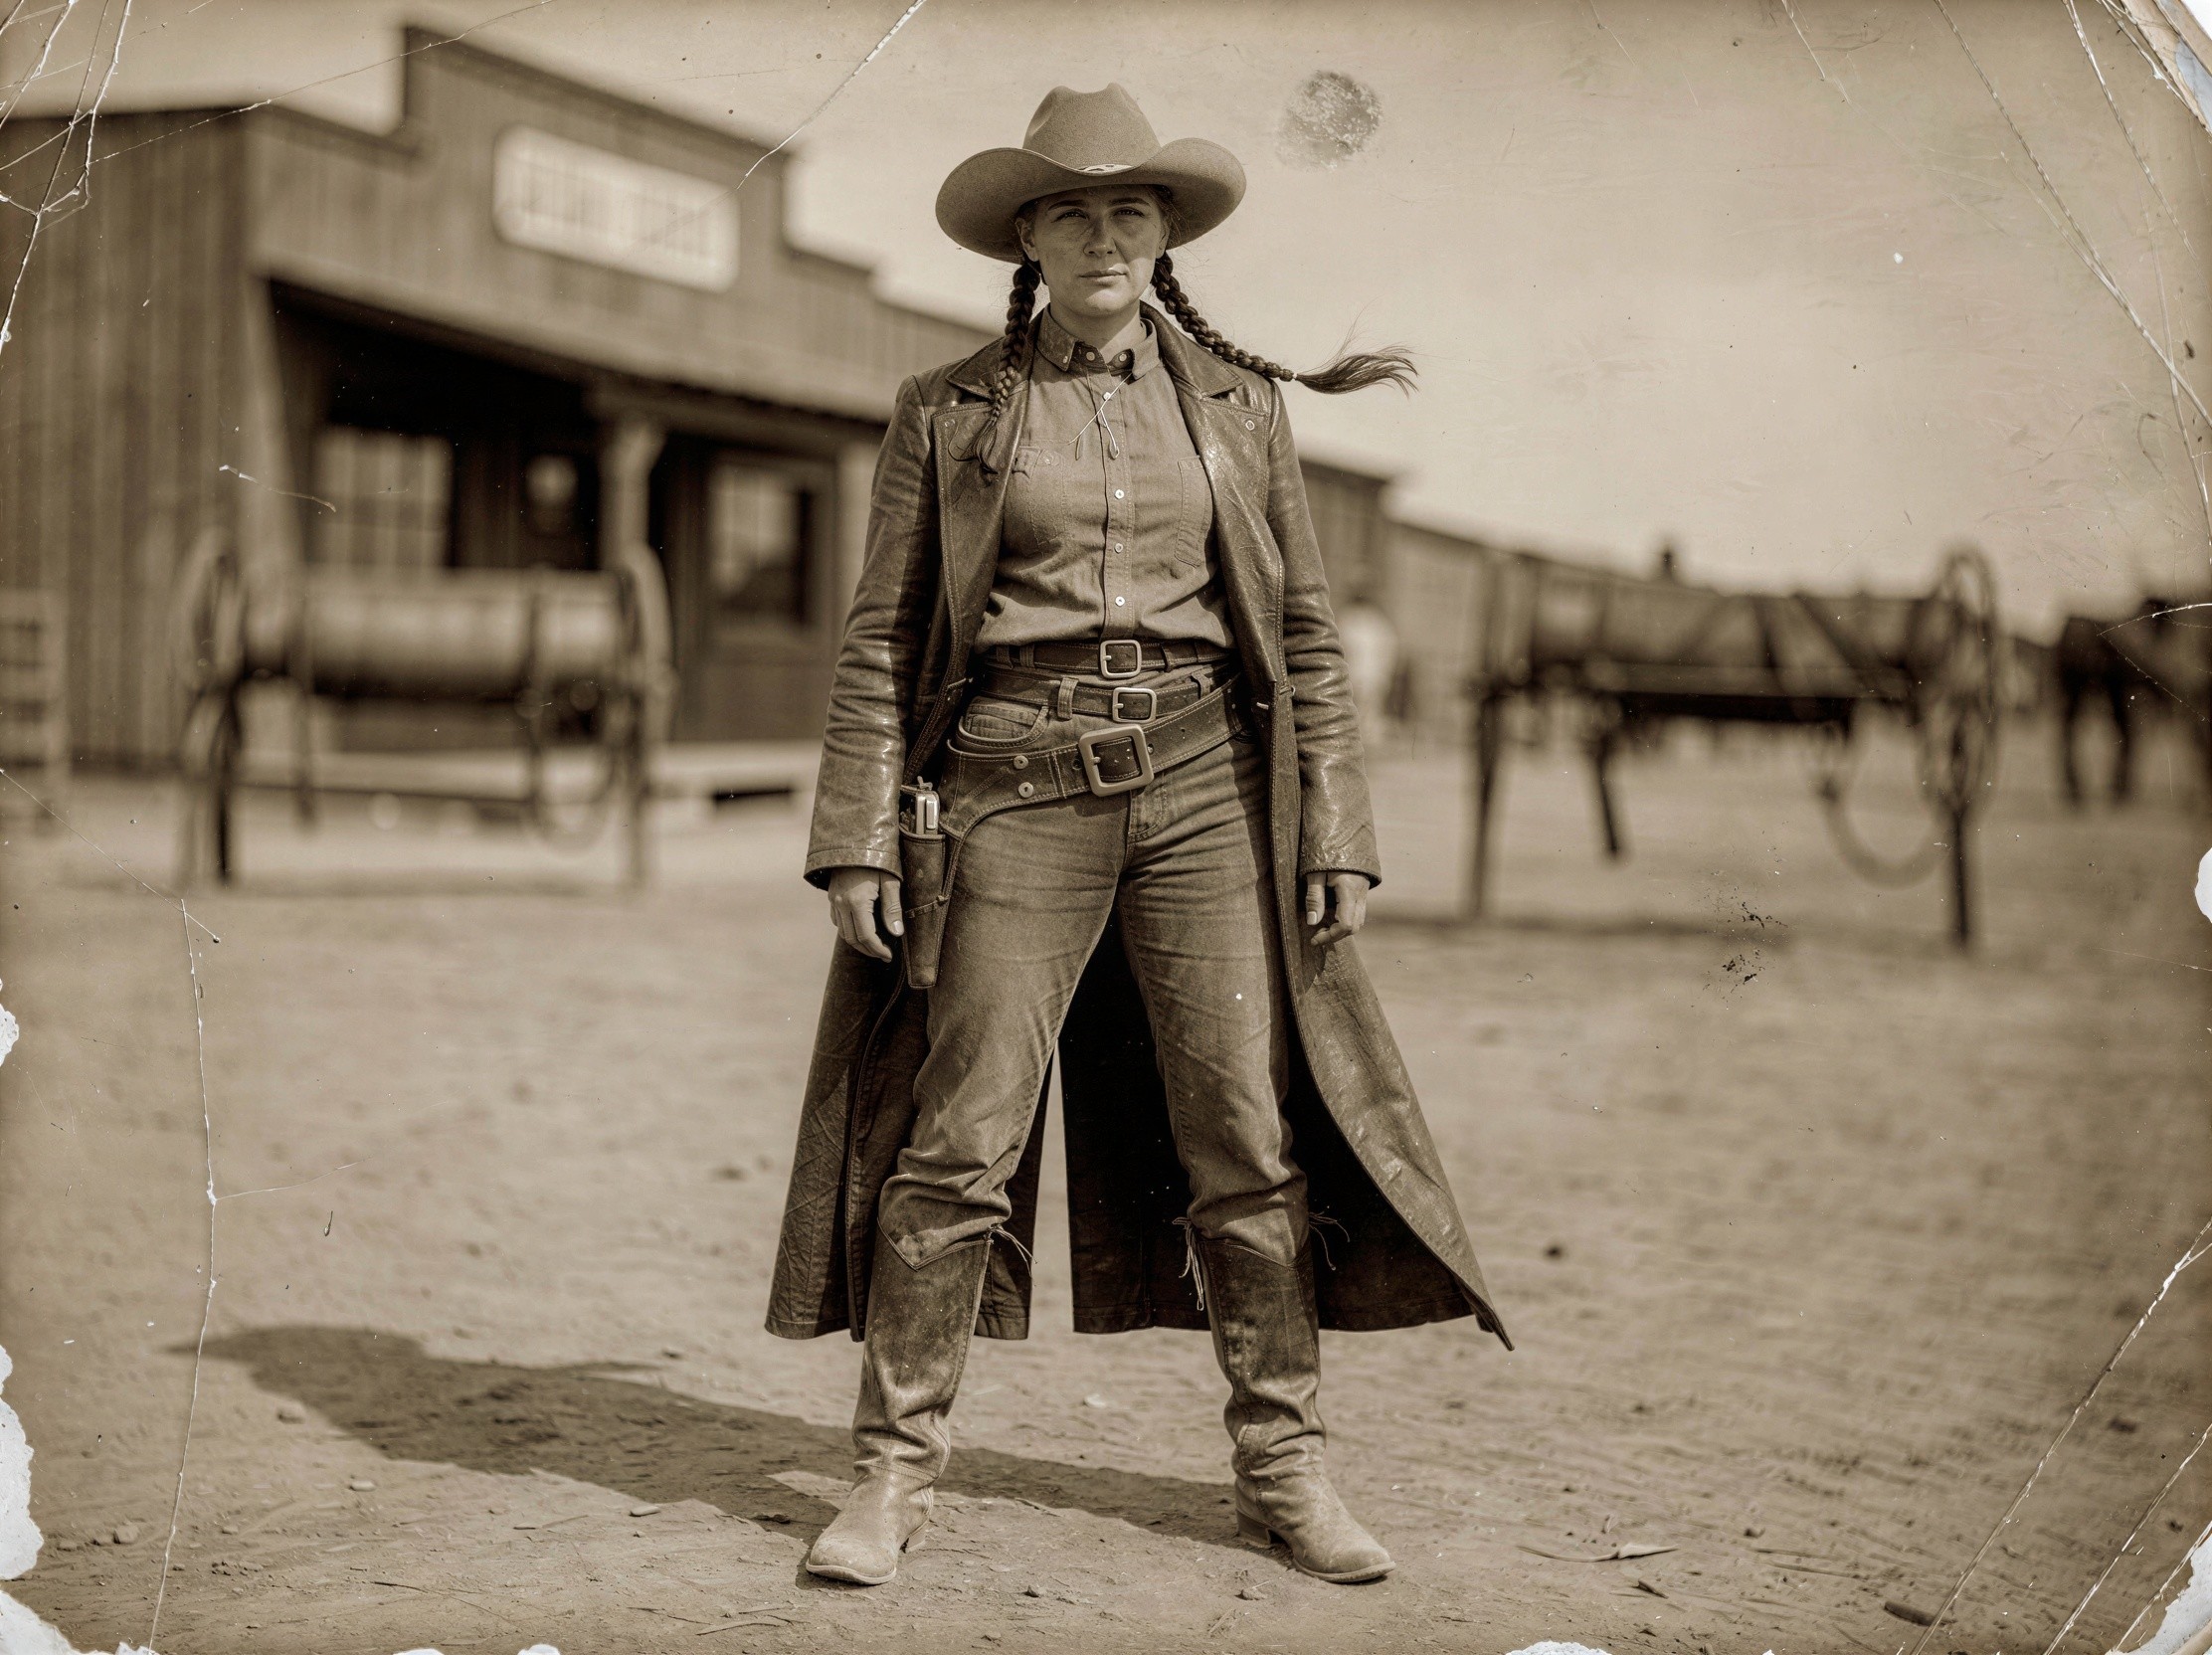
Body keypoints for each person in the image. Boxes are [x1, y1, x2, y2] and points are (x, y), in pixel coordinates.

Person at [766, 83, 1508, 1590]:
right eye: (1071, 211)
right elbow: (876, 641)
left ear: (1163, 238)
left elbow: (1304, 638)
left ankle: (1285, 1470)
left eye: (1130, 211)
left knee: (1246, 1136)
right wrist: (855, 836)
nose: (1103, 234)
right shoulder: (949, 411)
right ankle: (893, 1476)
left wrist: (1338, 833)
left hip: (1204, 795)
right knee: (956, 1137)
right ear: (1028, 239)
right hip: (1007, 793)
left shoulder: (1239, 409)